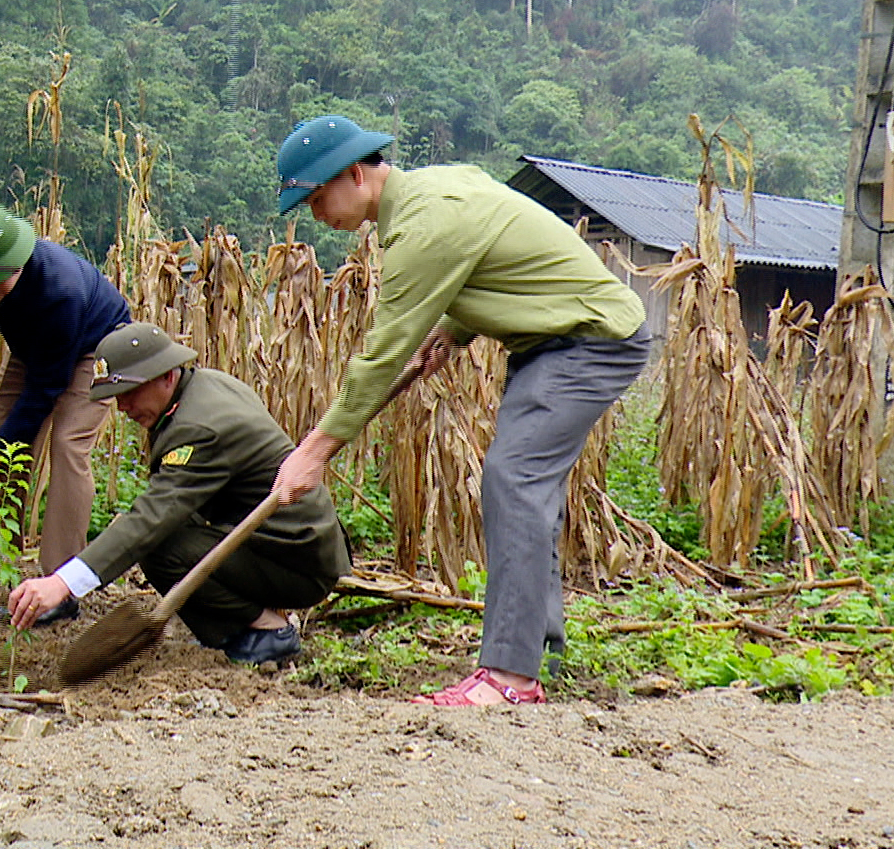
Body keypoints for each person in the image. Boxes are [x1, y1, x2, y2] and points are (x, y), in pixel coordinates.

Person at [268, 115, 650, 705]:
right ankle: (535, 650)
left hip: (588, 341)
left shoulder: (423, 226)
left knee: (513, 478)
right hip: (551, 343)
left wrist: (313, 451)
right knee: (526, 488)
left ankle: (510, 677)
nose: (317, 215)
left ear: (355, 174)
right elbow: (499, 257)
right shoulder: (436, 189)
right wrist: (454, 327)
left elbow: (381, 356)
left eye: (317, 198)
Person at [7, 323, 353, 663]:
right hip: (288, 543)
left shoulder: (200, 427)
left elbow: (152, 519)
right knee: (165, 534)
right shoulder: (201, 387)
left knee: (159, 547)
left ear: (166, 376)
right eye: (116, 396)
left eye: (129, 392)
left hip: (297, 559)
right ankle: (252, 619)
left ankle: (267, 630)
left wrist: (63, 583)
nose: (122, 406)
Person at [0, 203, 131, 625]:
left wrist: (1, 450)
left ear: (18, 262)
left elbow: (46, 388)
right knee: (1, 439)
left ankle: (61, 585)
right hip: (33, 346)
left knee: (68, 446)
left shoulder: (60, 290)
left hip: (96, 345)